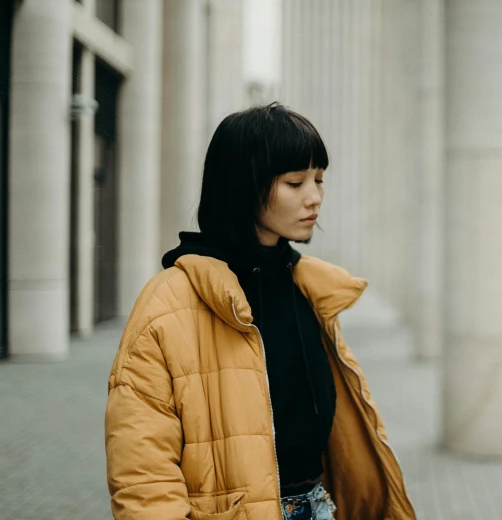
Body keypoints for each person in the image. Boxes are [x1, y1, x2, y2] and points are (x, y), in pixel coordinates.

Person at [104, 103, 415, 520]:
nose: (315, 197)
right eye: (295, 182)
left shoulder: (309, 288)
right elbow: (143, 474)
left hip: (320, 507)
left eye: (319, 180)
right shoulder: (170, 302)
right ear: (243, 185)